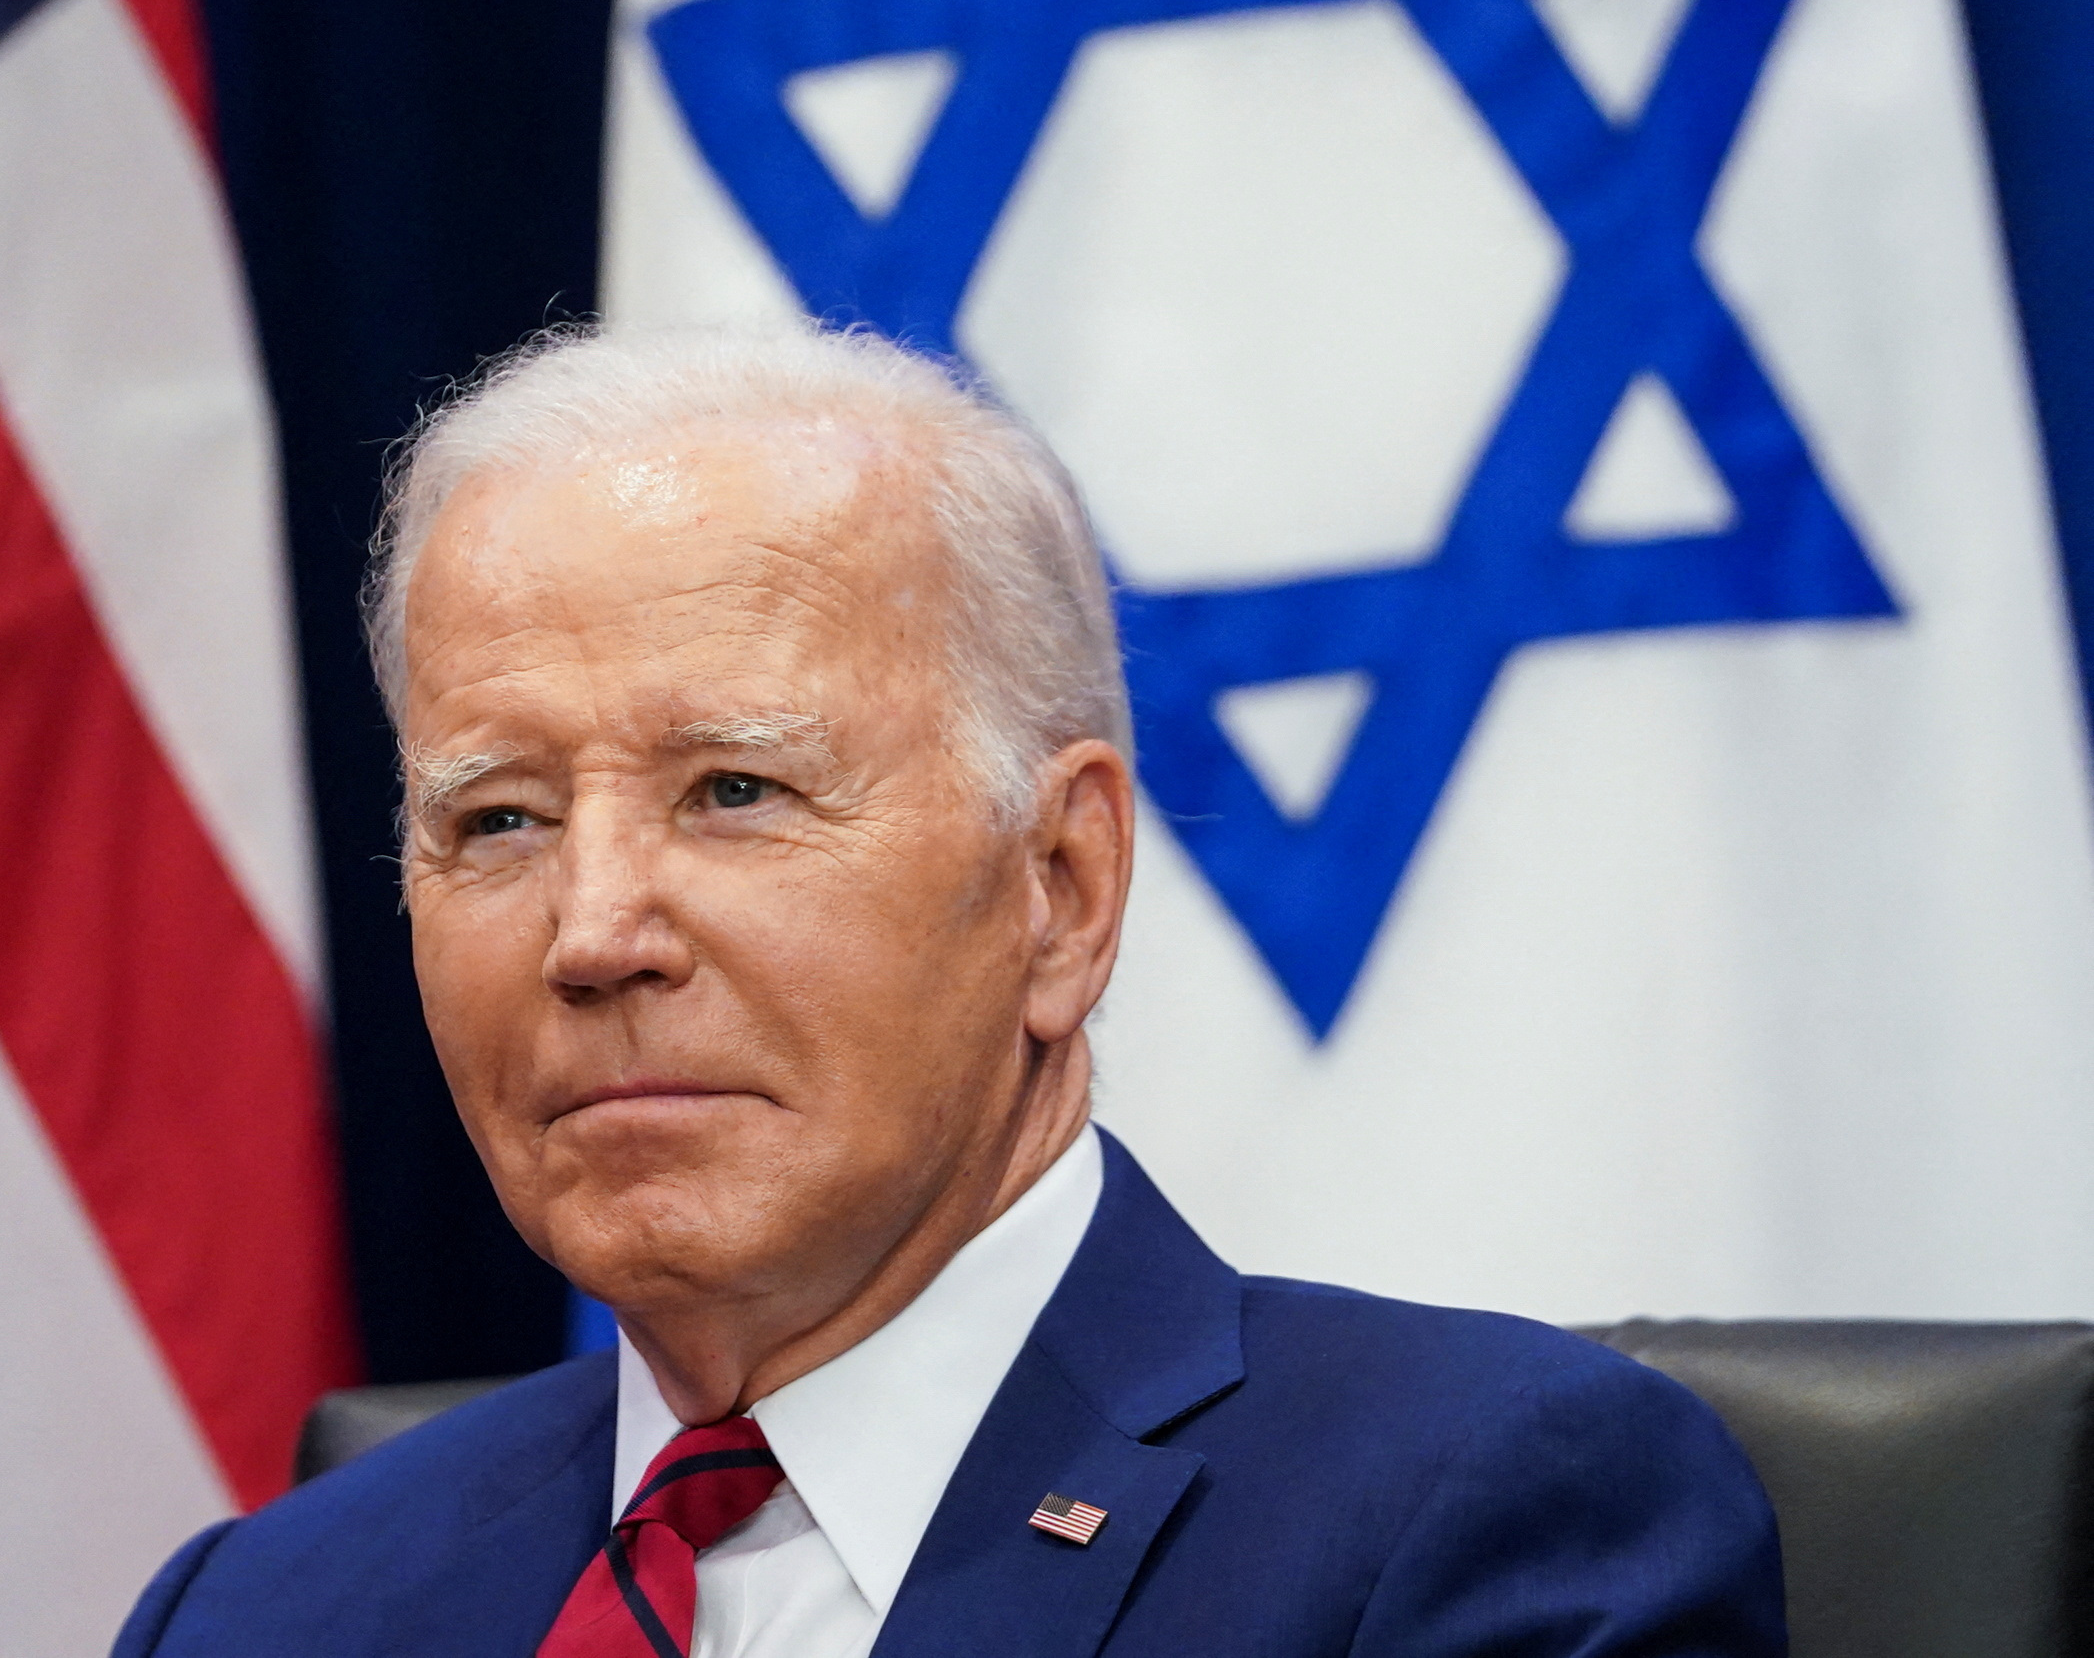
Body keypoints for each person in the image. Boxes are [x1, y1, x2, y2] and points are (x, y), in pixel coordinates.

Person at [114, 324, 1782, 1658]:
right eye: (498, 819)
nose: (593, 931)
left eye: (734, 791)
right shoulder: (261, 1611)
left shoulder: (1472, 1524)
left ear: (1061, 888)